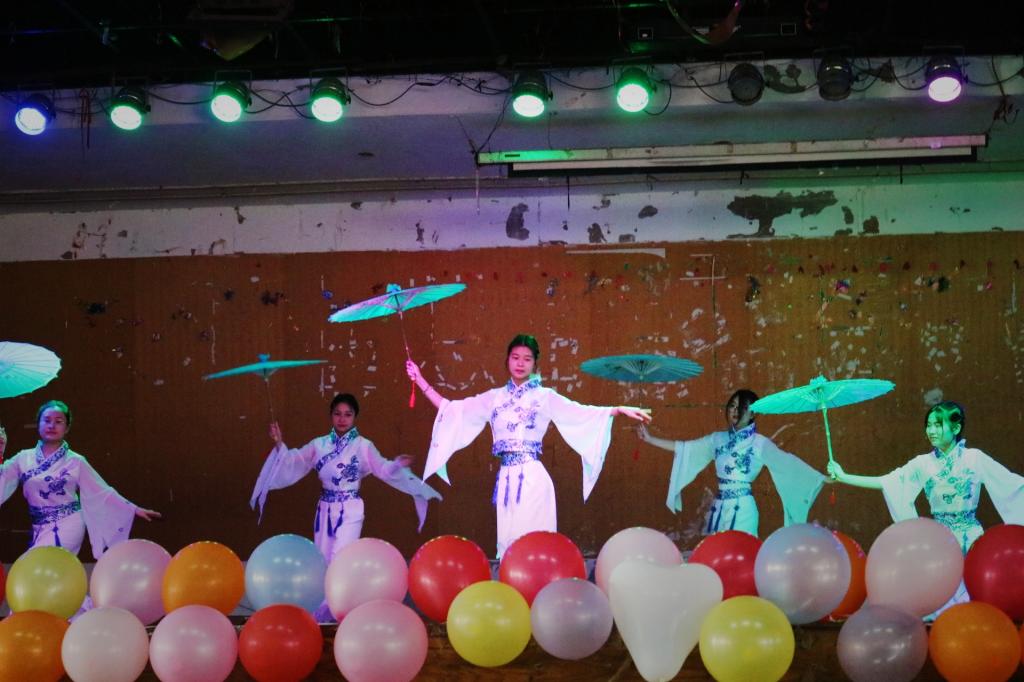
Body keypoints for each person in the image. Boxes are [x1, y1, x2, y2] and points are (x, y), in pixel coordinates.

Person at [405, 333, 652, 558]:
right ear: (507, 361)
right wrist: (420, 380)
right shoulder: (494, 398)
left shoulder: (544, 397)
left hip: (533, 479)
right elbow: (452, 410)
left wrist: (617, 410)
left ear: (535, 364)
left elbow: (580, 412)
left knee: (534, 546)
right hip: (506, 480)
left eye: (527, 359)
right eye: (515, 357)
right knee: (509, 547)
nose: (520, 363)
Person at [250, 392, 441, 564]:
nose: (342, 419)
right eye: (337, 414)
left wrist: (397, 464)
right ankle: (326, 594)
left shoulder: (363, 445)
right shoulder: (318, 445)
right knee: (323, 559)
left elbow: (382, 469)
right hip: (325, 509)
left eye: (348, 414)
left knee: (341, 558)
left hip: (351, 509)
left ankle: (340, 592)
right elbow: (293, 461)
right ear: (331, 415)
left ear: (354, 417)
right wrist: (279, 442)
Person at [828, 400, 1024, 553]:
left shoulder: (974, 458)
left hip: (972, 539)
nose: (931, 431)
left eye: (938, 425)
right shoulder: (923, 463)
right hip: (940, 540)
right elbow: (888, 482)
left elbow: (1011, 484)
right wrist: (844, 476)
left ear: (956, 428)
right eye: (928, 425)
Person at [639, 389, 826, 537]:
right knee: (717, 554)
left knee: (742, 552)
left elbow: (788, 463)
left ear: (752, 413)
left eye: (741, 407)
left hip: (743, 508)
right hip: (719, 507)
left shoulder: (759, 443)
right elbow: (686, 448)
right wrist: (650, 439)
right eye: (732, 406)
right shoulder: (717, 439)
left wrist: (822, 478)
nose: (735, 411)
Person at [0, 400, 161, 559]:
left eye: (58, 421)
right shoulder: (23, 458)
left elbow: (101, 491)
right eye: (47, 420)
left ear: (67, 428)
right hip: (38, 527)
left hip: (68, 523)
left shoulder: (76, 461)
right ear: (38, 424)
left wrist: (133, 509)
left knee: (34, 563)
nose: (52, 425)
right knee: (45, 569)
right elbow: (3, 478)